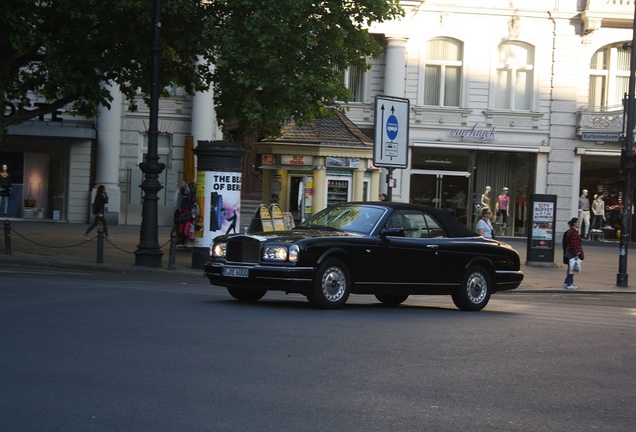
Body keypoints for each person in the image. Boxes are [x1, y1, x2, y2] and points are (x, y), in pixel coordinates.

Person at [563, 217, 584, 290]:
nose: (579, 224)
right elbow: (573, 244)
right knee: (572, 269)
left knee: (571, 268)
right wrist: (576, 254)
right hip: (572, 253)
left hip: (570, 252)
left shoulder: (572, 231)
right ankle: (569, 284)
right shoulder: (573, 233)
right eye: (578, 222)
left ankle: (567, 282)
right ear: (574, 223)